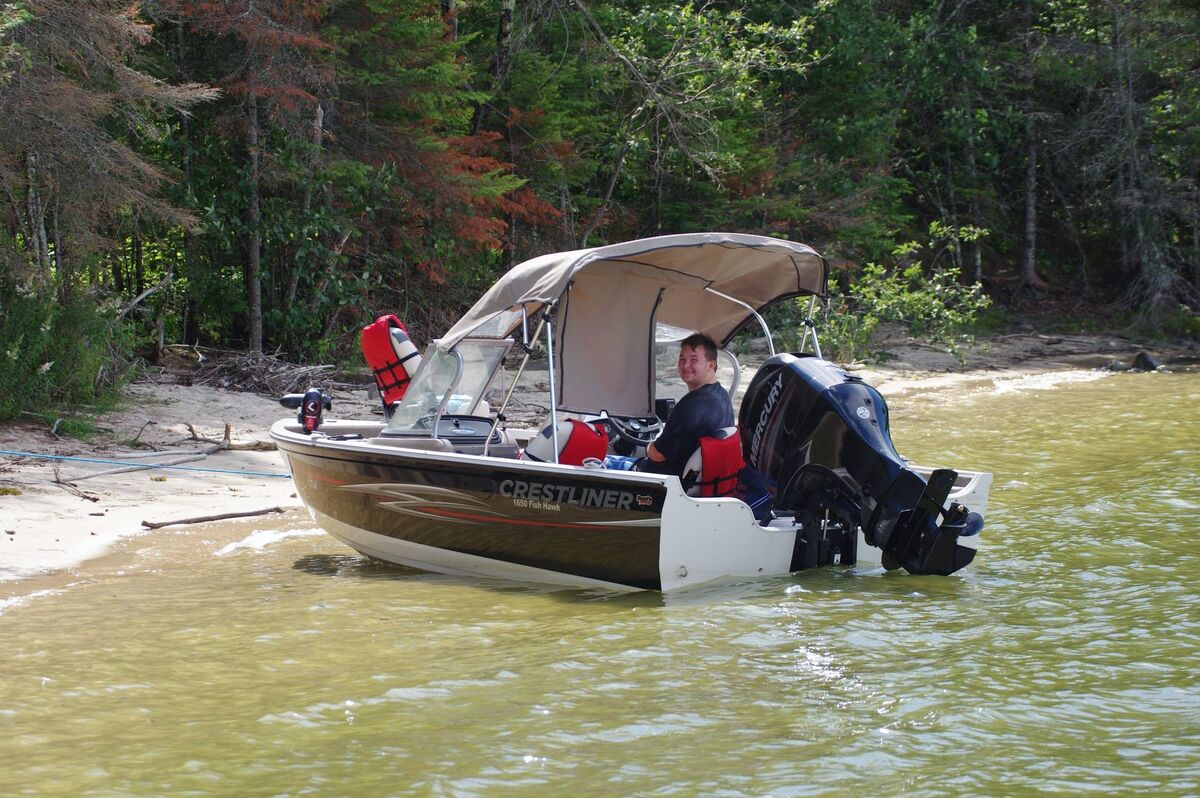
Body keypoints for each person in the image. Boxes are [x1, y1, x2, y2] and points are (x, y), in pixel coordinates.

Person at [639, 333, 734, 476]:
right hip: (692, 480)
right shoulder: (721, 395)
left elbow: (658, 455)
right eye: (682, 359)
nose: (686, 365)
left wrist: (648, 446)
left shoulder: (692, 405)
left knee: (601, 464)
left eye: (693, 360)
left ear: (711, 365)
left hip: (662, 482)